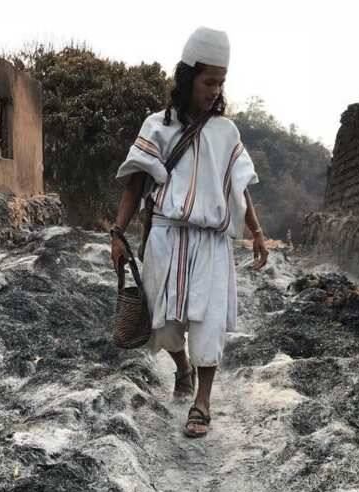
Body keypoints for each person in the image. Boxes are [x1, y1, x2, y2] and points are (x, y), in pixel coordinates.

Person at [110, 27, 268, 438]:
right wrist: (117, 233)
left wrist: (256, 231)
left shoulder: (226, 133)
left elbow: (241, 186)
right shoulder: (156, 126)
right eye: (208, 82)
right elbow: (135, 184)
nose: (215, 91)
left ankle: (203, 400)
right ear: (187, 78)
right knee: (164, 324)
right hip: (165, 236)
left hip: (211, 243)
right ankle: (181, 368)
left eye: (221, 83)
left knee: (208, 322)